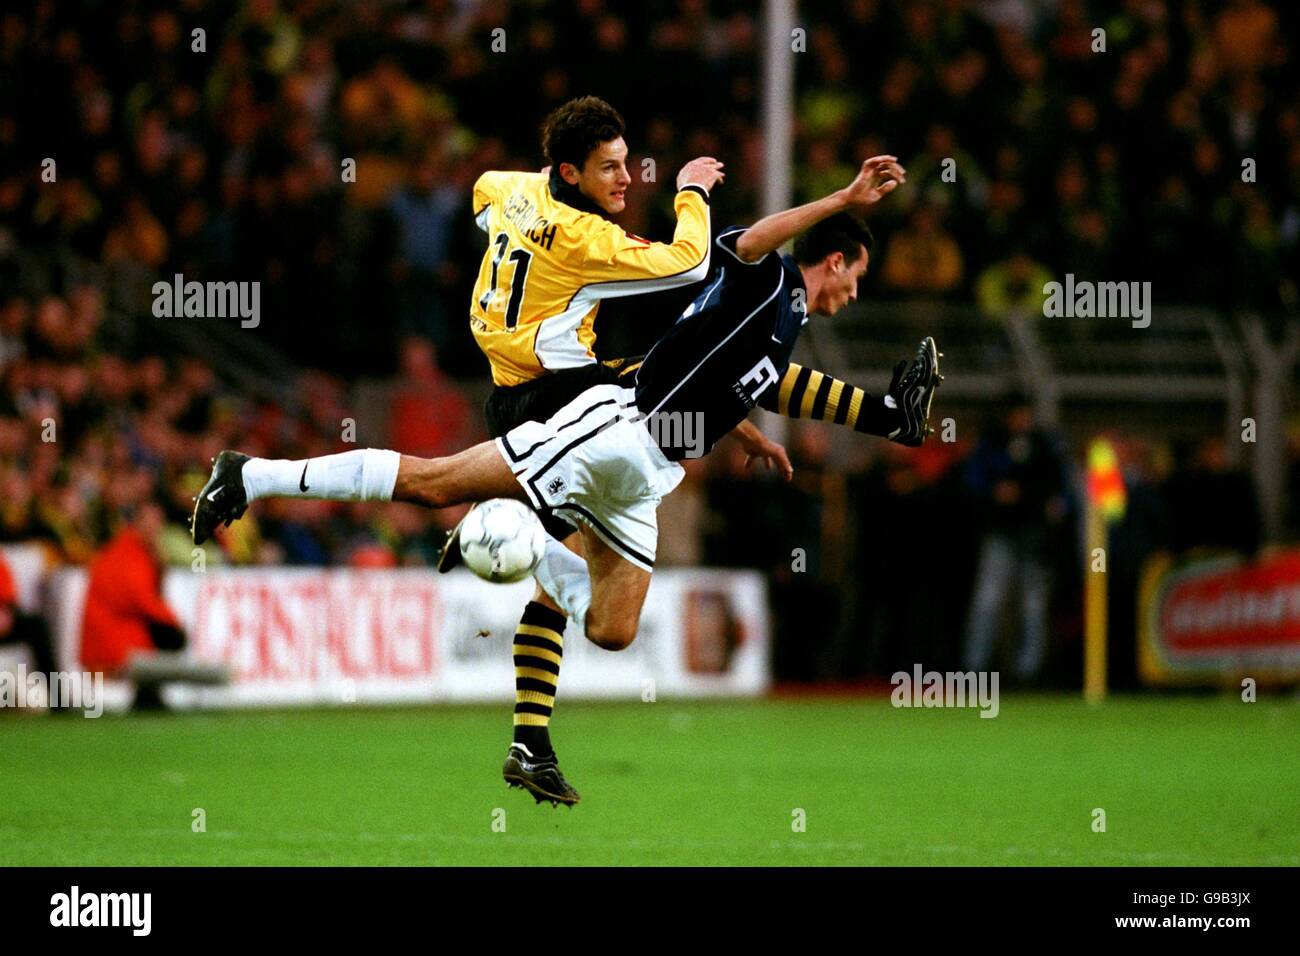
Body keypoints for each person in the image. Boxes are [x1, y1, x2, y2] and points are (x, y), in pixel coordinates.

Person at [190, 158, 944, 805]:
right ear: (838, 261)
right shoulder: (769, 279)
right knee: (434, 482)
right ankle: (253, 475)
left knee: (612, 630)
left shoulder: (778, 328)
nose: (854, 294)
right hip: (612, 431)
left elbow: (774, 385)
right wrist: (843, 199)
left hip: (647, 474)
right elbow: (747, 241)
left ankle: (521, 582)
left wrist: (886, 417)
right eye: (856, 277)